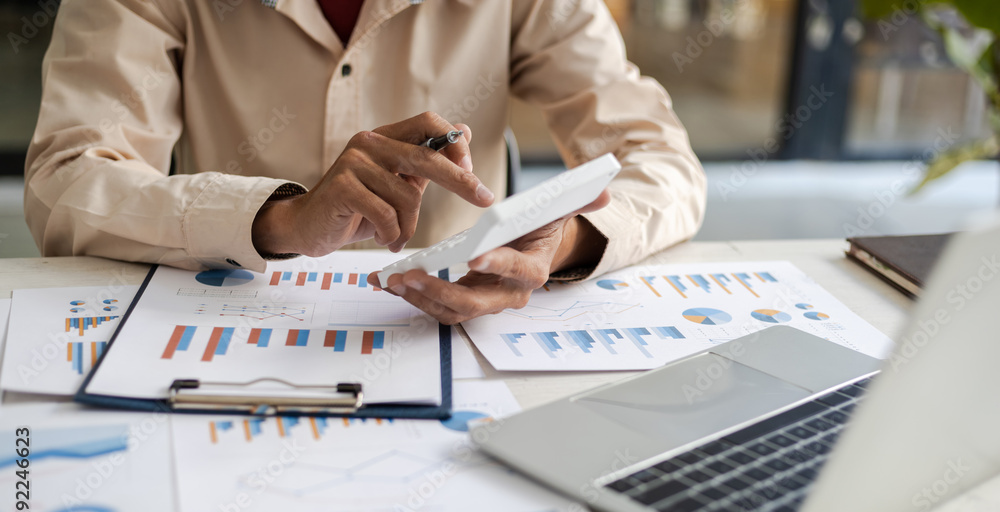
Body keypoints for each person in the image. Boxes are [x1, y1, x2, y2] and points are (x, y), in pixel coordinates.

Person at [25, 0, 706, 324]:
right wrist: (280, 218)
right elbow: (65, 178)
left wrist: (563, 243)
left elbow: (663, 161)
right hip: (229, 329)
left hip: (463, 349)